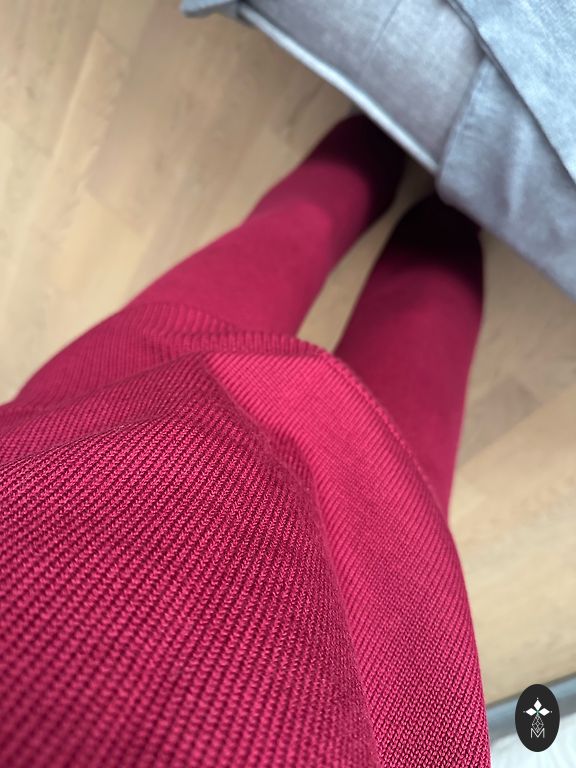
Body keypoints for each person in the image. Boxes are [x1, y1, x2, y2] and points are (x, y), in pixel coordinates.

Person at [0, 115, 489, 766]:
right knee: (390, 305)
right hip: (378, 632)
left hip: (85, 446)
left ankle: (404, 162)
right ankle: (433, 185)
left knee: (319, 259)